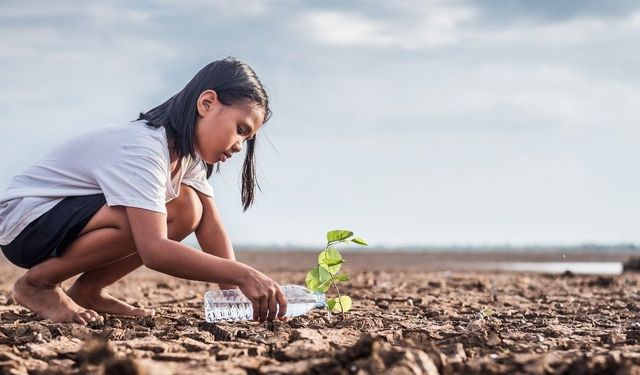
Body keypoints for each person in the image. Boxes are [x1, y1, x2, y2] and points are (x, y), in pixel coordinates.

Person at [0, 57, 287, 325]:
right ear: (207, 103)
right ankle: (38, 284)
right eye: (240, 129)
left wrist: (233, 296)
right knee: (141, 217)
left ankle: (88, 290)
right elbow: (154, 250)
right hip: (26, 224)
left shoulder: (185, 156)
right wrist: (243, 274)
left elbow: (211, 226)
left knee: (188, 208)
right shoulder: (145, 148)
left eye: (246, 139)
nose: (239, 145)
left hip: (59, 222)